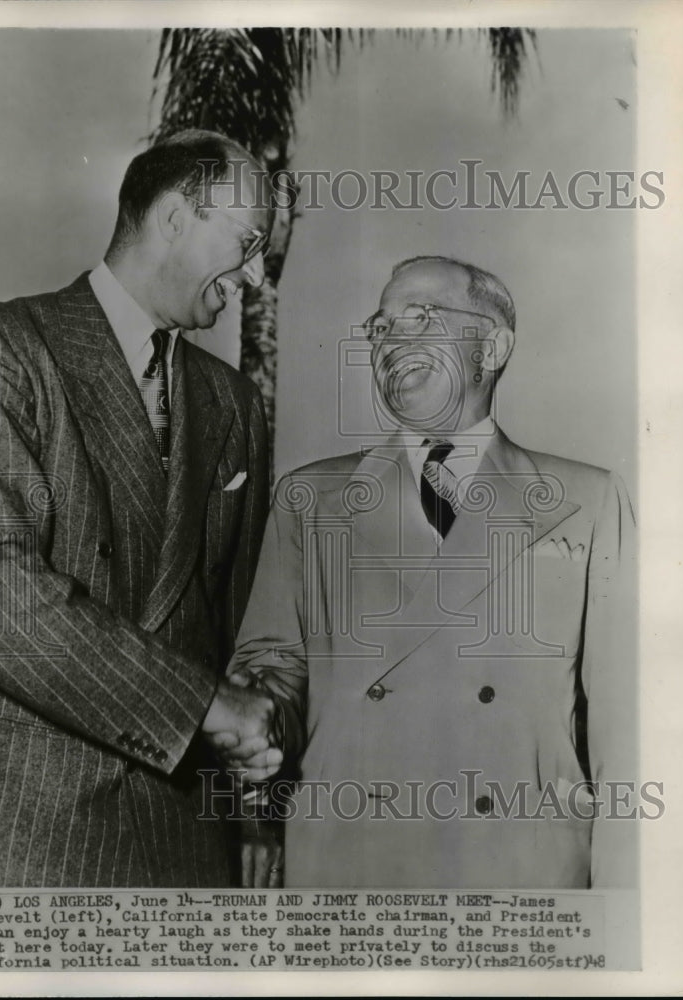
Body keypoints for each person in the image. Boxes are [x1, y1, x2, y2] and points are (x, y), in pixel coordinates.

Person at [0, 129, 284, 888]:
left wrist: (254, 794)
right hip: (26, 852)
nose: (256, 275)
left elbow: (235, 622)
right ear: (173, 218)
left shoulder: (232, 404)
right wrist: (204, 709)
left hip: (189, 850)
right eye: (248, 239)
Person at [230, 255, 637, 888]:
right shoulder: (308, 499)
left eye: (421, 317)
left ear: (493, 347)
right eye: (382, 326)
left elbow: (624, 735)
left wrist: (621, 905)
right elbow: (274, 677)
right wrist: (256, 735)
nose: (392, 340)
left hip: (521, 873)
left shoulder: (586, 501)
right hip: (350, 864)